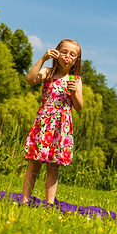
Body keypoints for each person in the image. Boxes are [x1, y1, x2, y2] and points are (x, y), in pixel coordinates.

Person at [22, 38, 83, 205]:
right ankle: (25, 200)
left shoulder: (75, 80)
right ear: (56, 53)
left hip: (61, 126)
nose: (67, 56)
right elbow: (30, 79)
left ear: (76, 59)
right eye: (64, 52)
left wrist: (73, 94)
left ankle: (49, 204)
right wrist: (43, 58)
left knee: (53, 166)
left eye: (72, 54)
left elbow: (79, 107)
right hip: (44, 123)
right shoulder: (48, 72)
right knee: (34, 163)